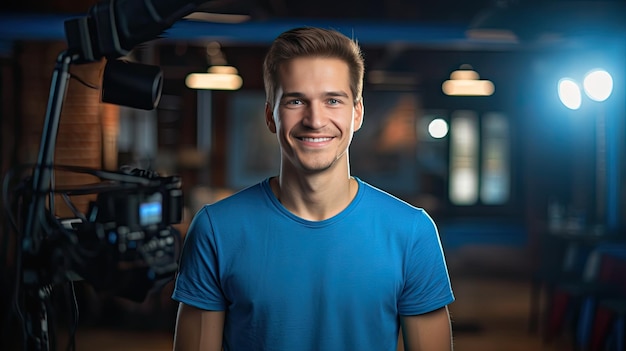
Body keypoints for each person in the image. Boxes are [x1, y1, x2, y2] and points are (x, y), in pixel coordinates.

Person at [171, 26, 455, 351]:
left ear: (357, 113)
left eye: (333, 100)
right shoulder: (216, 230)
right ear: (270, 115)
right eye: (295, 101)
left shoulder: (412, 232)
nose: (315, 119)